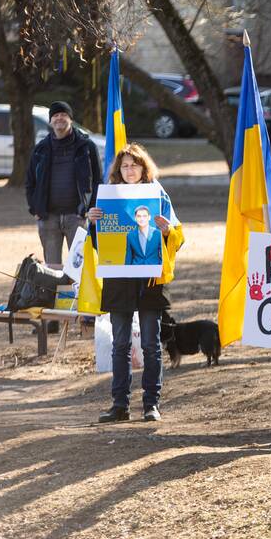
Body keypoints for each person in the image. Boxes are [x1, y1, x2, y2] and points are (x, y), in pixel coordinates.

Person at [87, 144, 184, 423]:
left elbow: (178, 236)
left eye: (134, 165)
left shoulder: (158, 194)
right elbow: (100, 245)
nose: (129, 170)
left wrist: (168, 232)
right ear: (119, 170)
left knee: (151, 345)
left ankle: (151, 404)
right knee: (120, 344)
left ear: (144, 168)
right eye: (125, 166)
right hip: (119, 281)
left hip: (151, 280)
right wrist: (93, 223)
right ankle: (120, 405)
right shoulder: (108, 196)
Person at [25, 100, 102, 266]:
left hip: (78, 217)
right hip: (48, 219)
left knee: (81, 268)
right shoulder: (41, 149)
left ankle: (79, 294)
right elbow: (30, 182)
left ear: (71, 119)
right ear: (51, 121)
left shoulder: (87, 147)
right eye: (56, 115)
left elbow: (97, 181)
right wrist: (35, 208)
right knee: (52, 270)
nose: (59, 118)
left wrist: (90, 209)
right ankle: (53, 294)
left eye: (64, 115)